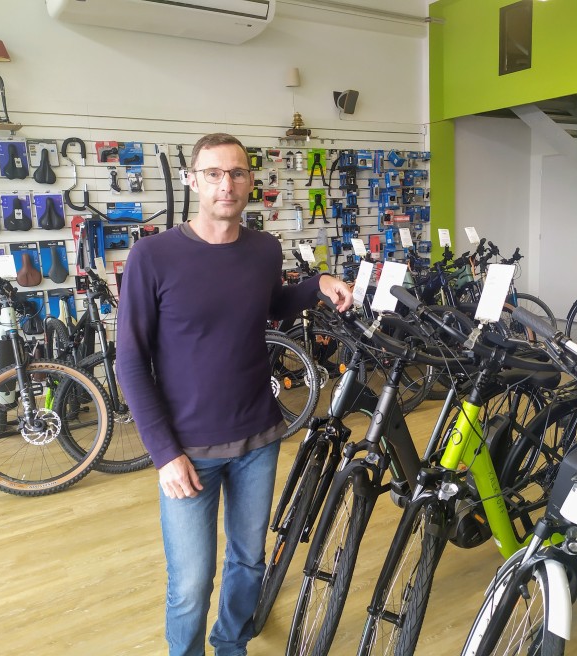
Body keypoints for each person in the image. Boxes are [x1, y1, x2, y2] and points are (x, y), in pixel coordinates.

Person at [116, 132, 353, 656]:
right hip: (187, 450)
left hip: (257, 438)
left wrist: (318, 284)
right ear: (193, 180)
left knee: (248, 562)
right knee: (190, 585)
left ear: (250, 181)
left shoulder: (263, 249)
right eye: (214, 173)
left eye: (238, 173)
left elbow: (271, 304)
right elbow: (130, 361)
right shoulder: (152, 256)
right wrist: (164, 454)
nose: (227, 184)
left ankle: (231, 645)